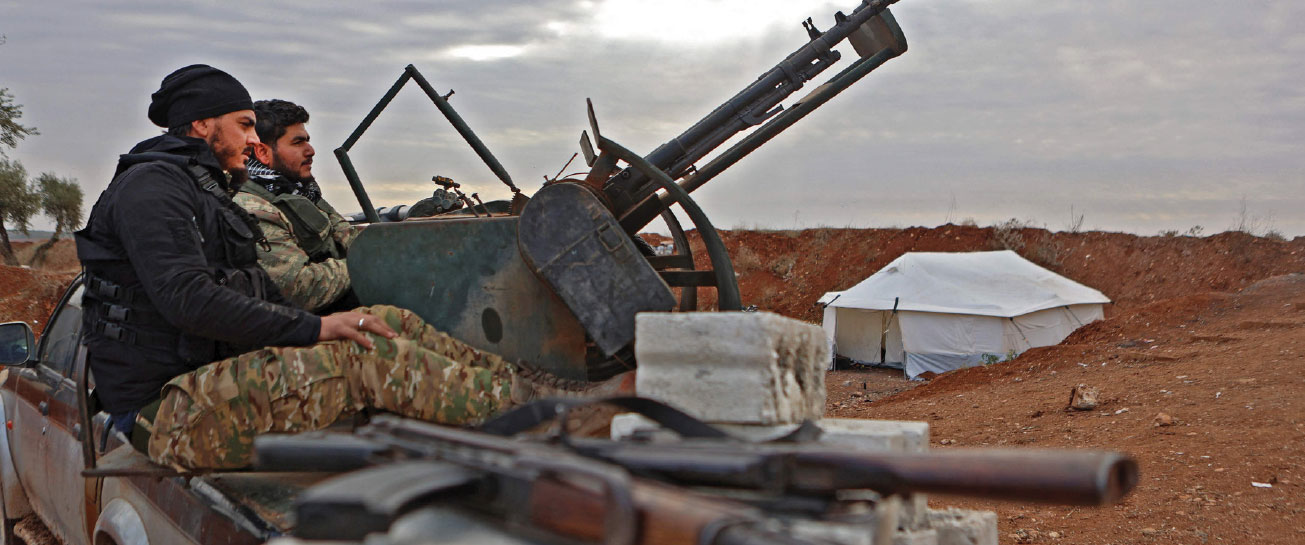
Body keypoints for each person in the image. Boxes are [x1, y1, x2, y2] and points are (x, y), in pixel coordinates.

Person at [74, 65, 549, 470]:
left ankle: (530, 389)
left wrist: (330, 325)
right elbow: (189, 299)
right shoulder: (151, 189)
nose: (253, 140)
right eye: (244, 125)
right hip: (165, 411)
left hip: (211, 378)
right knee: (364, 359)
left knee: (383, 322)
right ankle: (544, 421)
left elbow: (254, 288)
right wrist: (315, 328)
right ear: (202, 124)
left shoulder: (203, 190)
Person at [234, 99, 357, 313]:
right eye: (298, 142)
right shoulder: (252, 207)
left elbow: (349, 236)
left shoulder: (300, 191)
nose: (311, 150)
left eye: (307, 141)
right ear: (262, 152)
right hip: (304, 323)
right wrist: (365, 264)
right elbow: (297, 288)